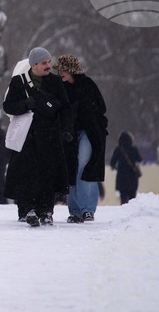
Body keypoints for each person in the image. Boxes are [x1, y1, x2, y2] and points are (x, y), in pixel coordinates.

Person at [3, 47, 71, 226]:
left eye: (49, 62)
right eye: (44, 63)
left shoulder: (55, 82)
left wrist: (66, 130)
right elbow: (8, 106)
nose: (48, 66)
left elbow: (65, 107)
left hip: (50, 137)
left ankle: (46, 211)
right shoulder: (19, 82)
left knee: (48, 175)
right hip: (27, 138)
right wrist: (25, 104)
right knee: (27, 175)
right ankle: (27, 210)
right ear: (33, 65)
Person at [55, 55, 107, 223]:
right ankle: (75, 211)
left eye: (63, 69)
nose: (60, 73)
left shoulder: (87, 85)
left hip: (88, 132)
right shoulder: (59, 87)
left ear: (72, 70)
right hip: (68, 134)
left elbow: (100, 108)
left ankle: (87, 209)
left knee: (84, 165)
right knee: (71, 168)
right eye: (59, 70)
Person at [110, 131, 142, 205]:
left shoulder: (118, 149)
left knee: (123, 199)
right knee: (132, 199)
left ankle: (124, 213)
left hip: (122, 178)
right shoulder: (134, 149)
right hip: (132, 178)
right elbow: (139, 159)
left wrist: (118, 168)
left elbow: (112, 163)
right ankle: (132, 213)